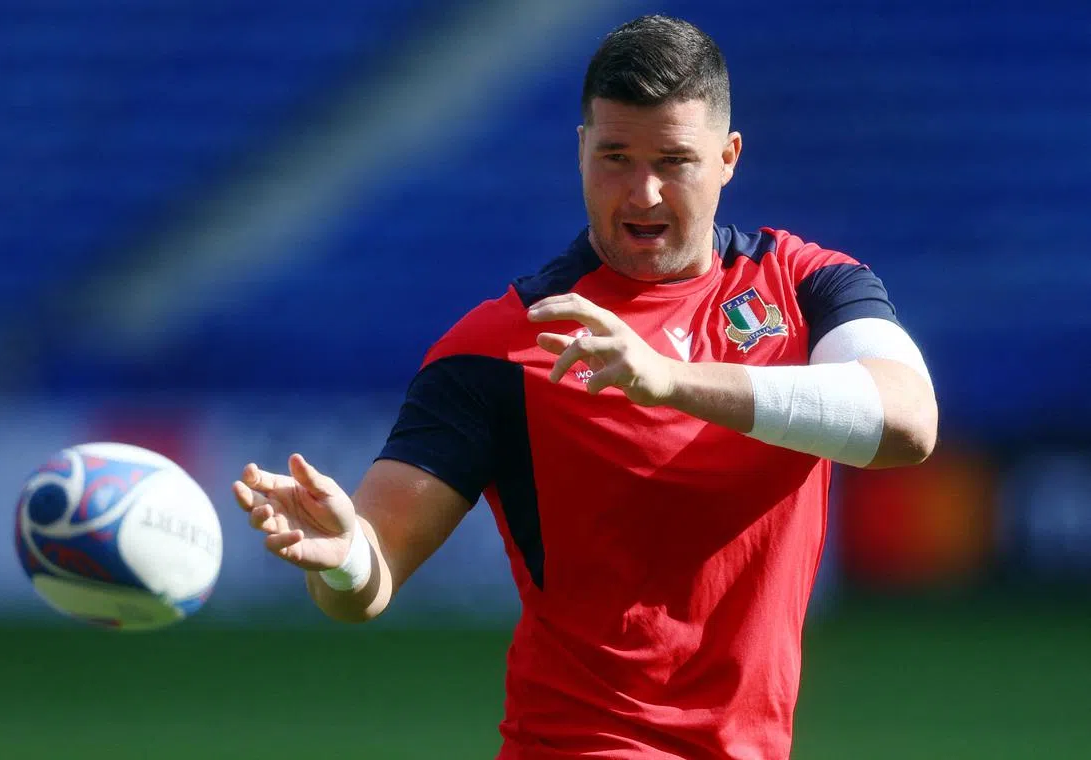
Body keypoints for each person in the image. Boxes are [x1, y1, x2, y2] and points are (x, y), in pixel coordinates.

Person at [232, 14, 938, 760]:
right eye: (615, 157)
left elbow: (907, 424)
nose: (644, 192)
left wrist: (672, 381)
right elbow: (369, 579)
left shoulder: (808, 285)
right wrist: (344, 554)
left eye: (675, 160)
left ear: (728, 158)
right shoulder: (498, 347)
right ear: (579, 153)